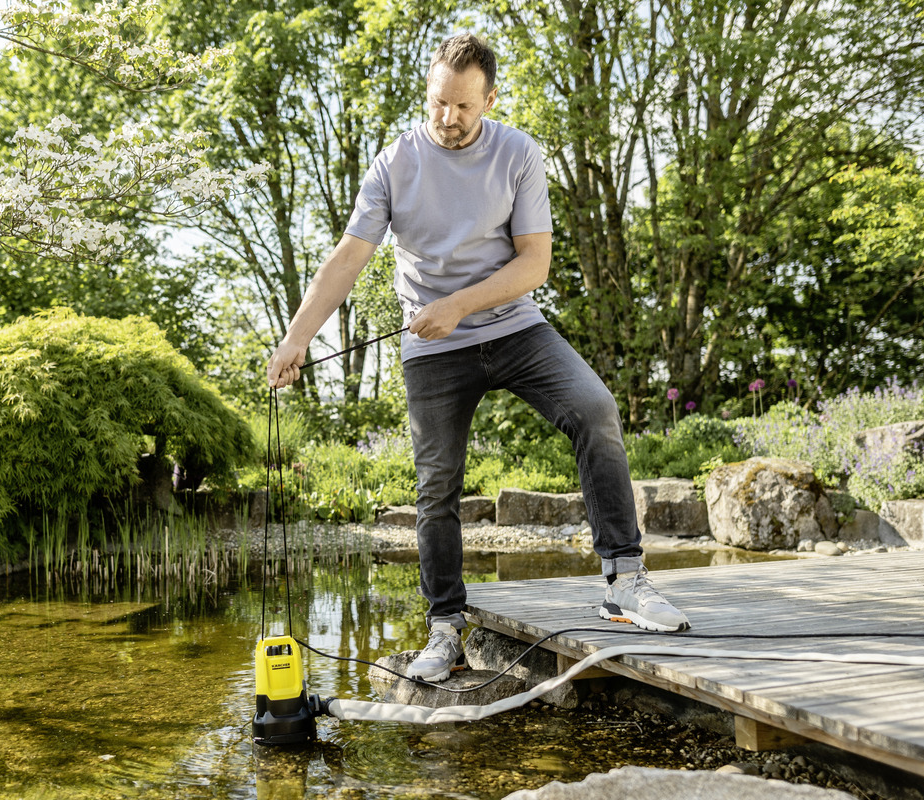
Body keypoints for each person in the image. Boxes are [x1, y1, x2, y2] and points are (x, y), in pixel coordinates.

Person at [266, 33, 690, 683]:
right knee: (436, 483)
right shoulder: (393, 164)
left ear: (489, 100)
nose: (448, 118)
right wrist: (297, 338)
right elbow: (348, 259)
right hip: (434, 349)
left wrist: (460, 304)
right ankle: (443, 626)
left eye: (463, 106)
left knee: (595, 408)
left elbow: (534, 263)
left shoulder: (517, 154)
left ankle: (624, 582)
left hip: (516, 327)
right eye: (438, 102)